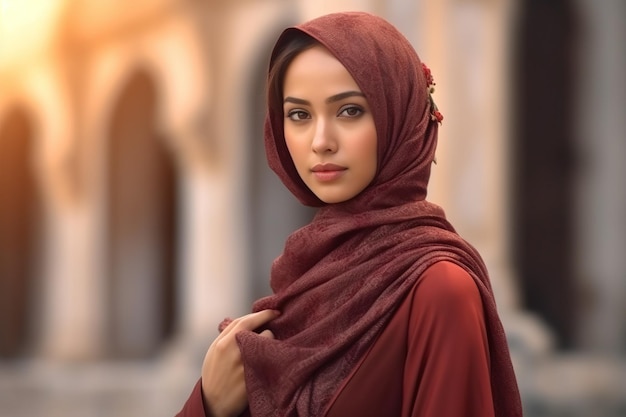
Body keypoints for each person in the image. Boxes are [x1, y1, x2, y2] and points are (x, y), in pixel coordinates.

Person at [176, 11, 522, 417]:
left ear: (400, 115)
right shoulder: (305, 275)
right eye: (299, 115)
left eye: (349, 111)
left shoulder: (439, 291)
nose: (321, 141)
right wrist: (211, 404)